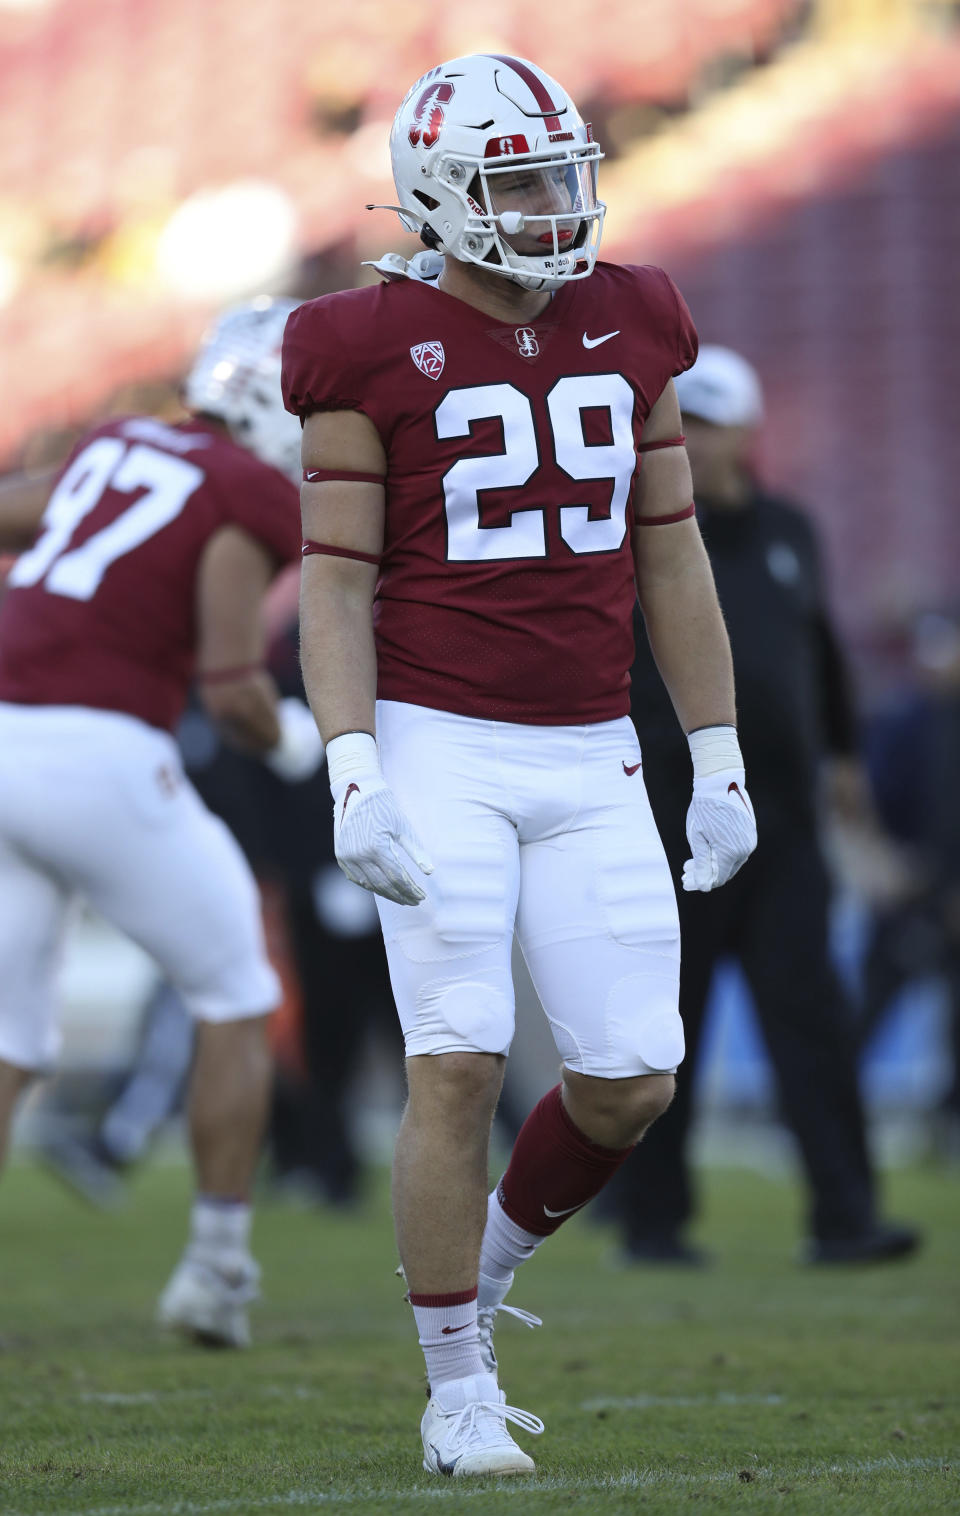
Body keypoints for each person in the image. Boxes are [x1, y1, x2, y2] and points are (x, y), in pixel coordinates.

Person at [282, 54, 757, 1478]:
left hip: (595, 749)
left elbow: (670, 547)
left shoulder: (637, 317)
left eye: (564, 178)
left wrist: (718, 752)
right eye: (522, 186)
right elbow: (336, 585)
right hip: (438, 741)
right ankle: (453, 1388)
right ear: (442, 199)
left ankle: (475, 1287)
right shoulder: (359, 343)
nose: (556, 212)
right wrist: (353, 766)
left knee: (632, 1081)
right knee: (459, 1061)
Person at [0, 296, 325, 1346]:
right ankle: (216, 1268)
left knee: (8, 1032)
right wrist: (303, 743)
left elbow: (20, 514)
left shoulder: (121, 439)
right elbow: (233, 689)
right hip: (97, 749)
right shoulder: (246, 490)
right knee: (236, 989)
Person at [602, 344, 921, 1267]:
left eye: (705, 423)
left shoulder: (790, 530)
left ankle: (845, 1217)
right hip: (670, 816)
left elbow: (818, 653)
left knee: (812, 1023)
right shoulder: (637, 533)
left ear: (745, 433)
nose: (688, 440)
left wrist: (847, 755)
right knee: (671, 1027)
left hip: (782, 825)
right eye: (678, 423)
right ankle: (653, 1223)